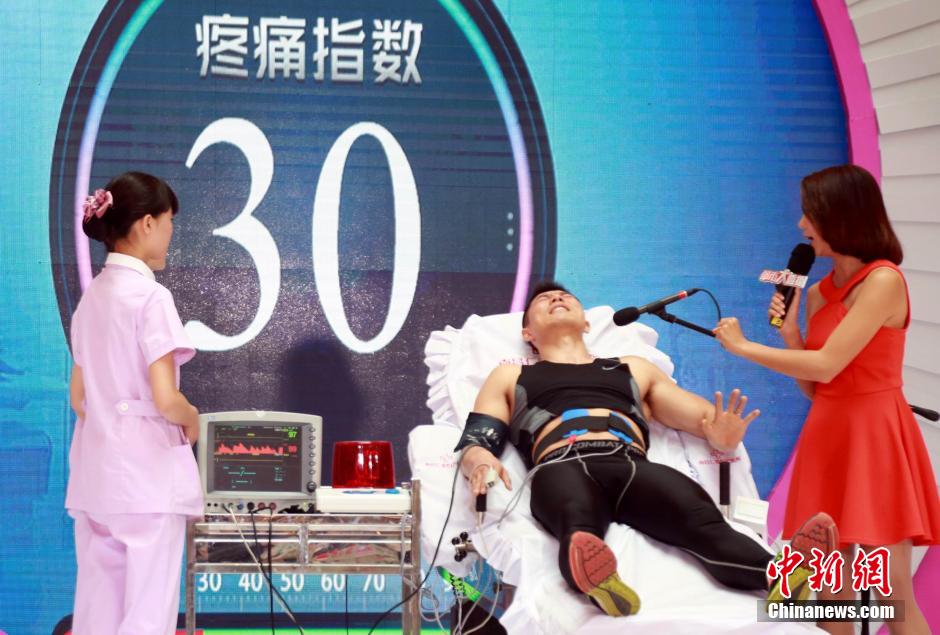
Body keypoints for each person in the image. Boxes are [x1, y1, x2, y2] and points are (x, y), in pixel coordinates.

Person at [456, 281, 838, 616]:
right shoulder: (512, 375)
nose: (556, 298)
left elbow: (704, 421)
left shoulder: (633, 368)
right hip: (561, 465)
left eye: (566, 296)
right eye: (544, 300)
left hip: (631, 465)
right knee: (577, 523)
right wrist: (480, 462)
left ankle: (784, 577)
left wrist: (723, 435)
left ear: (587, 323)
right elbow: (478, 439)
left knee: (704, 525)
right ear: (527, 332)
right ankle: (599, 580)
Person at [714, 164, 940, 634]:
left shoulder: (883, 281)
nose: (801, 225)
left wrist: (744, 347)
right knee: (829, 593)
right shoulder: (818, 291)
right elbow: (817, 386)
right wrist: (791, 335)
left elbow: (828, 365)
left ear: (841, 215)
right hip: (827, 434)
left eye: (809, 214)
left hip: (875, 436)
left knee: (892, 593)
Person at [66, 172, 204, 635]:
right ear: (147, 223)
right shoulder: (150, 297)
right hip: (147, 478)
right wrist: (192, 417)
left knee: (96, 613)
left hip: (96, 477)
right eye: (169, 222)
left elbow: (79, 397)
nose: (170, 234)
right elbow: (166, 399)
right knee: (147, 615)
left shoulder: (91, 300)